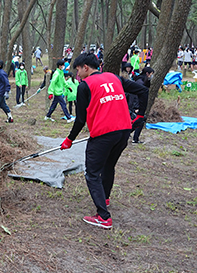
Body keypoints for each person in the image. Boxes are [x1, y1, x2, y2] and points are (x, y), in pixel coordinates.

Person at [60, 53, 148, 229]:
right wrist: (140, 116)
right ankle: (105, 198)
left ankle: (103, 216)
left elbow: (80, 120)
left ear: (85, 67)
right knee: (108, 166)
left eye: (78, 69)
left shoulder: (85, 86)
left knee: (92, 173)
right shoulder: (114, 77)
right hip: (123, 132)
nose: (77, 74)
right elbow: (143, 91)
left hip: (102, 135)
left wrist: (69, 139)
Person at [130, 67, 153, 144]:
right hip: (135, 106)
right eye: (151, 74)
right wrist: (136, 107)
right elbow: (135, 96)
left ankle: (135, 139)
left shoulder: (144, 81)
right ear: (147, 73)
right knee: (139, 120)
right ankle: (127, 134)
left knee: (141, 120)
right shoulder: (140, 82)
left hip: (139, 106)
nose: (151, 76)